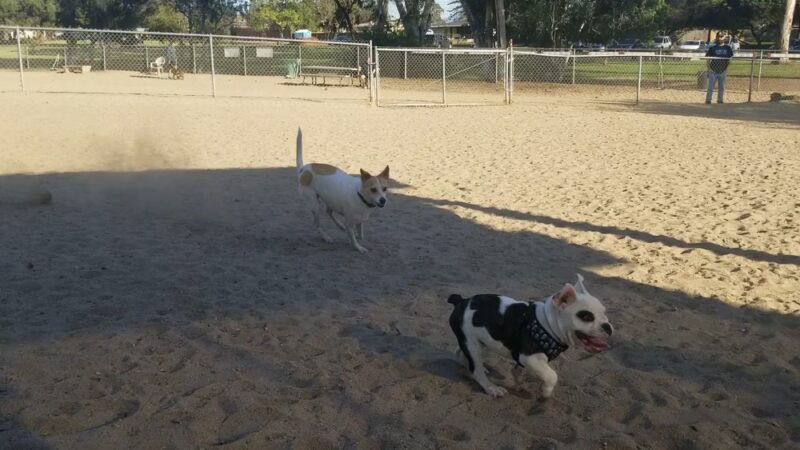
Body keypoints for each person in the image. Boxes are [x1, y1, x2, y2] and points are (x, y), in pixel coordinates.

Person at [705, 31, 734, 104]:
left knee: (721, 87)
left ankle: (720, 100)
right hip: (713, 70)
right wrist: (709, 69)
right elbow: (708, 60)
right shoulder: (712, 48)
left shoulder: (728, 48)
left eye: (721, 36)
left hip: (723, 70)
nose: (719, 38)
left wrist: (727, 69)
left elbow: (730, 59)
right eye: (718, 36)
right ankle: (708, 100)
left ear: (724, 38)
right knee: (710, 87)